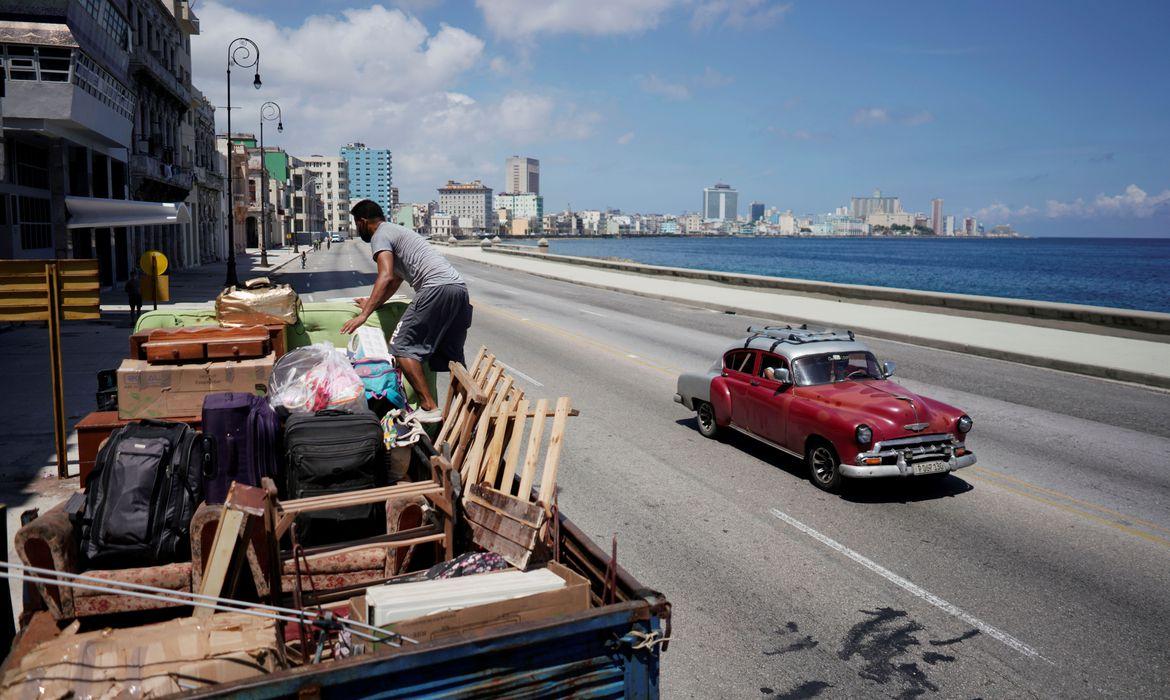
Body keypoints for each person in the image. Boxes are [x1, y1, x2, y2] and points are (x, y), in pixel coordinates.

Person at [341, 199, 471, 423]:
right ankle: (470, 408)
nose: (356, 228)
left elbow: (386, 275)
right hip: (458, 290)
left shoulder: (380, 234)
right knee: (452, 359)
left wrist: (364, 315)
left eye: (356, 224)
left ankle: (429, 407)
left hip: (436, 288)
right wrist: (375, 303)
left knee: (401, 347)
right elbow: (395, 281)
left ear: (362, 222)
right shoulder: (397, 231)